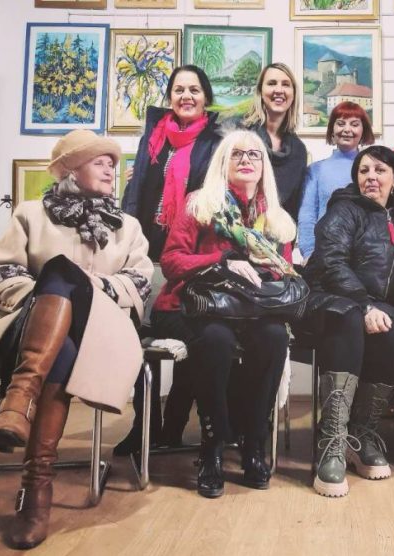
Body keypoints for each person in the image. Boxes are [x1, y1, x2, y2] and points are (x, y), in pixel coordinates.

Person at [0, 130, 152, 549]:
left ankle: (18, 402)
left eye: (113, 163)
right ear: (71, 169)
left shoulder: (128, 227)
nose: (111, 169)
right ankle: (36, 489)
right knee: (60, 325)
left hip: (102, 327)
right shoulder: (31, 214)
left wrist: (89, 288)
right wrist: (46, 298)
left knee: (62, 273)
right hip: (30, 324)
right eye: (100, 162)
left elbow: (139, 281)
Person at [158, 130, 297, 498]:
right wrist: (222, 261)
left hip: (250, 310)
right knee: (216, 339)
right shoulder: (200, 204)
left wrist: (268, 270)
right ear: (223, 162)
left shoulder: (276, 218)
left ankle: (253, 442)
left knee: (275, 337)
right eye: (237, 154)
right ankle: (213, 445)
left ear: (264, 165)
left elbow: (283, 273)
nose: (246, 160)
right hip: (195, 305)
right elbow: (170, 261)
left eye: (254, 154)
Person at [299, 146, 394, 497]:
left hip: (374, 307)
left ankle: (361, 433)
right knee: (349, 318)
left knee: (393, 333)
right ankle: (331, 440)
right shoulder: (344, 209)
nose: (371, 177)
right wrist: (364, 305)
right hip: (328, 299)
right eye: (364, 171)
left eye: (380, 170)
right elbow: (331, 262)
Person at [117, 65, 223, 455]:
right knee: (135, 338)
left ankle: (176, 419)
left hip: (189, 252)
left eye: (194, 89)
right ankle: (144, 424)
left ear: (205, 97)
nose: (186, 96)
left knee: (191, 335)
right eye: (179, 90)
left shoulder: (215, 142)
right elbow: (136, 193)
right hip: (146, 251)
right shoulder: (154, 137)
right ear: (170, 97)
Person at [297, 101, 375, 260]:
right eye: (340, 123)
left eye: (354, 124)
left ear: (363, 131)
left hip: (365, 255)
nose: (347, 129)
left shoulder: (373, 170)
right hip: (324, 254)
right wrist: (309, 253)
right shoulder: (315, 170)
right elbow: (307, 216)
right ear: (332, 130)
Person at [242, 62, 309, 219]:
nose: (279, 90)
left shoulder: (298, 150)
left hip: (278, 230)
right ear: (260, 91)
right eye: (272, 83)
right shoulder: (240, 134)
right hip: (235, 227)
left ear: (293, 94)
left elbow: (293, 207)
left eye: (286, 84)